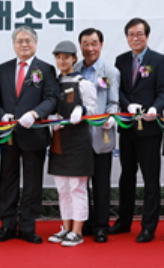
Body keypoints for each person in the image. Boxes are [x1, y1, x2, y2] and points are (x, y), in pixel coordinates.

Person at [0, 25, 60, 244]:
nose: (24, 44)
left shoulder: (46, 69)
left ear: (36, 44)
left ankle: (28, 226)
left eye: (28, 40)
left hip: (34, 133)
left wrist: (35, 113)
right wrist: (2, 115)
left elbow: (51, 98)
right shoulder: (2, 69)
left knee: (32, 182)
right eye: (19, 41)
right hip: (9, 134)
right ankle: (7, 225)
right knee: (7, 180)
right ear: (13, 45)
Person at [109, 18, 164, 242]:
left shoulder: (159, 60)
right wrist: (127, 105)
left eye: (139, 34)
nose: (135, 38)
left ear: (147, 36)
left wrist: (155, 108)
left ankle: (148, 226)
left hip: (150, 129)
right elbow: (117, 89)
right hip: (128, 127)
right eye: (131, 34)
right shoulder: (121, 60)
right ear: (127, 37)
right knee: (126, 176)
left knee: (150, 179)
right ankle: (124, 221)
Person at [46, 40, 97, 247]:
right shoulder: (53, 83)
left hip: (78, 142)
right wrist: (51, 119)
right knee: (62, 189)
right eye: (58, 57)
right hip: (59, 141)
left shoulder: (83, 83)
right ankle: (65, 228)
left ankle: (77, 231)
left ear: (74, 58)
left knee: (77, 188)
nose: (62, 61)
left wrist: (81, 110)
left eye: (66, 57)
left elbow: (93, 109)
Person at [75, 28, 120, 243]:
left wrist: (111, 116)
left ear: (101, 45)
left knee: (101, 184)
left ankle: (102, 226)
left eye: (94, 43)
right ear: (80, 46)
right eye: (86, 43)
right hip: (78, 137)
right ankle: (85, 222)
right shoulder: (74, 69)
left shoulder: (110, 72)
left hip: (101, 134)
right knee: (80, 184)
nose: (90, 48)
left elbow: (114, 102)